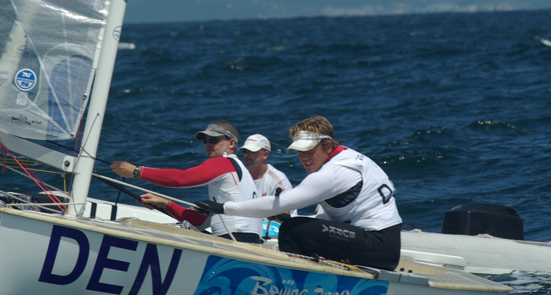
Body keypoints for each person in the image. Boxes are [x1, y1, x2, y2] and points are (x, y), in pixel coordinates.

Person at [196, 116, 401, 270]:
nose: (303, 157)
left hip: (380, 247)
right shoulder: (348, 156)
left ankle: (293, 284)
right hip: (379, 242)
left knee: (292, 230)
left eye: (309, 150)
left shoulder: (334, 172)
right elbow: (332, 217)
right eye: (299, 151)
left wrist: (224, 208)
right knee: (294, 224)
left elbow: (278, 202)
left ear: (327, 145)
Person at [110, 119, 262, 243]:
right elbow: (199, 221)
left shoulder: (224, 163)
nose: (208, 144)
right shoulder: (240, 175)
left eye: (214, 139)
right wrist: (166, 204)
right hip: (248, 241)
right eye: (205, 140)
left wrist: (137, 171)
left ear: (231, 144)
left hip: (234, 241)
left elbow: (182, 178)